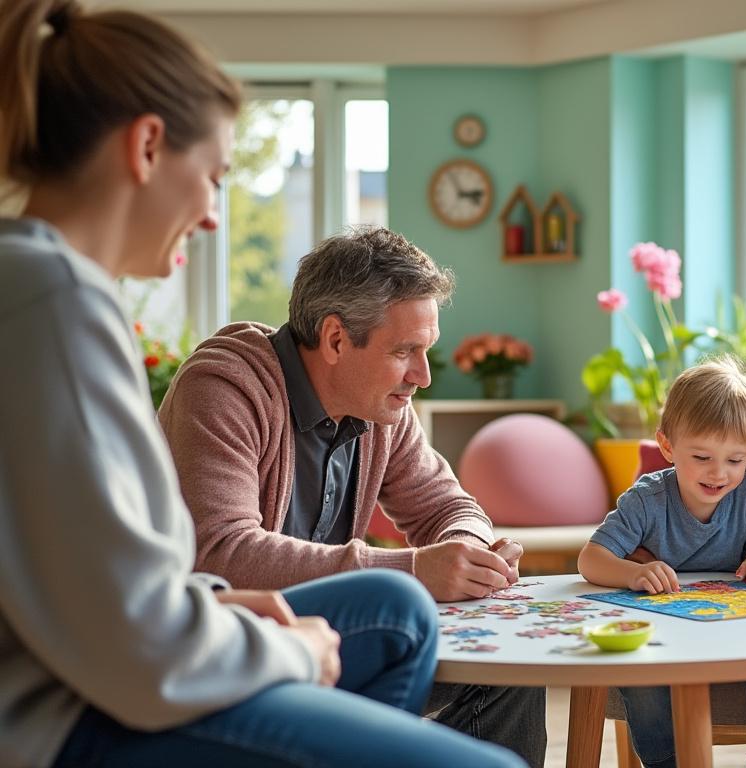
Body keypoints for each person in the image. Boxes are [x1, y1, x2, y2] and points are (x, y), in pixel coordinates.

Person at [0, 2, 522, 766]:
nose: (214, 216)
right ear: (147, 147)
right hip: (70, 718)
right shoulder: (58, 304)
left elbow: (99, 573)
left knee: (399, 608)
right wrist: (294, 652)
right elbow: (144, 633)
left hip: (107, 674)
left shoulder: (47, 286)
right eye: (213, 177)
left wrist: (462, 551)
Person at [156, 226, 545, 765]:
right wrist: (413, 570)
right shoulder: (224, 387)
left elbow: (450, 507)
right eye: (405, 351)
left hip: (328, 645)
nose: (424, 376)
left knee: (512, 667)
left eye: (425, 350)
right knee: (398, 609)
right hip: (228, 655)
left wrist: (467, 552)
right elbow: (220, 551)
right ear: (336, 339)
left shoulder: (382, 407)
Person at [578, 360, 746, 768]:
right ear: (667, 447)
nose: (719, 473)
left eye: (735, 460)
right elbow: (591, 559)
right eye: (702, 456)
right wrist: (632, 573)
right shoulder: (646, 499)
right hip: (665, 631)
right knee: (640, 676)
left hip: (736, 627)